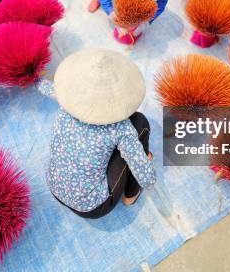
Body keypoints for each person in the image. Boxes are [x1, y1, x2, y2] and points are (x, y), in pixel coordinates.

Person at [38, 48, 156, 219]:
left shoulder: (67, 102)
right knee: (140, 122)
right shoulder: (121, 127)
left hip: (55, 187)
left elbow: (44, 86)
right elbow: (148, 179)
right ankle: (130, 195)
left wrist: (30, 74)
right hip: (90, 206)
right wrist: (145, 162)